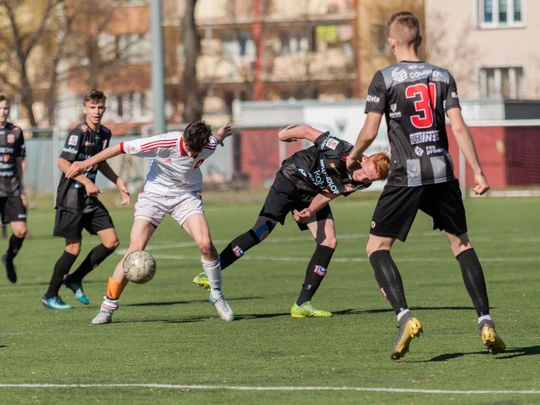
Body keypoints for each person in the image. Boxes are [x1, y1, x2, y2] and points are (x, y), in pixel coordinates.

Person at [345, 11, 505, 360]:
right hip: (442, 172)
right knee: (462, 245)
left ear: (392, 41)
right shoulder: (442, 76)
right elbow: (459, 128)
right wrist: (478, 172)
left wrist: (353, 155)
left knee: (377, 247)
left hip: (405, 175)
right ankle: (485, 321)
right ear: (418, 39)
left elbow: (371, 132)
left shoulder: (384, 78)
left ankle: (405, 317)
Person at [193, 124, 390, 317]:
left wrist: (309, 210)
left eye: (367, 179)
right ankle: (211, 273)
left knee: (328, 240)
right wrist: (282, 136)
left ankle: (302, 304)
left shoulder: (361, 183)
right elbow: (306, 131)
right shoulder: (339, 149)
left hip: (311, 194)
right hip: (291, 177)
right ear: (364, 158)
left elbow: (329, 194)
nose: (361, 176)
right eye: (364, 171)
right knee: (262, 229)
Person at [65, 120, 234, 324]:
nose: (191, 155)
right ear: (184, 139)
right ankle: (108, 306)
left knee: (206, 244)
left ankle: (216, 294)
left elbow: (216, 140)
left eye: (195, 152)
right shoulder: (162, 143)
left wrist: (221, 134)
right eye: (188, 149)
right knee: (134, 250)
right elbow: (119, 148)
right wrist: (84, 164)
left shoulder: (207, 146)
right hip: (154, 195)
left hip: (185, 197)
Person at [42, 89, 130, 310]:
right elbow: (63, 163)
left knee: (111, 241)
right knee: (73, 248)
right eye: (92, 107)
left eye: (100, 107)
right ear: (84, 109)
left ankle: (74, 279)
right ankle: (50, 295)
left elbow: (100, 163)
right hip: (71, 198)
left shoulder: (105, 134)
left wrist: (118, 181)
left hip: (89, 199)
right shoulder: (78, 132)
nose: (96, 111)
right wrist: (87, 182)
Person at [0, 94, 28, 283]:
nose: (3, 112)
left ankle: (9, 257)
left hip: (11, 189)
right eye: (0, 109)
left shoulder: (16, 132)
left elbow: (19, 162)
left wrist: (22, 189)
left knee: (20, 231)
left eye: (5, 108)